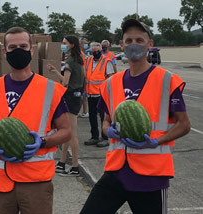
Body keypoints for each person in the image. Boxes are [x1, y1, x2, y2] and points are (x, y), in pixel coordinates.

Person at [80, 19, 191, 214]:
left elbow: (184, 125)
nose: (134, 44)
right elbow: (106, 121)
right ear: (121, 45)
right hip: (116, 170)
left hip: (150, 175)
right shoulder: (111, 83)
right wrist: (109, 131)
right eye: (129, 40)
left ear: (150, 44)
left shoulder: (167, 80)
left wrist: (155, 141)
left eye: (139, 40)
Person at [0, 27, 71, 214]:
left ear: (32, 49)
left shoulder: (50, 89)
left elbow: (66, 131)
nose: (18, 50)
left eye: (23, 46)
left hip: (35, 182)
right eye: (12, 47)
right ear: (4, 52)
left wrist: (41, 142)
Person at [47, 35, 84, 176]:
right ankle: (62, 163)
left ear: (72, 45)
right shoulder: (79, 61)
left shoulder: (69, 61)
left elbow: (65, 81)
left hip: (69, 97)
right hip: (76, 97)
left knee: (71, 134)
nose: (63, 45)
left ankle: (75, 166)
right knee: (68, 133)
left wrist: (56, 72)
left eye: (65, 43)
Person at [84, 42, 114, 147]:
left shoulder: (106, 62)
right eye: (93, 51)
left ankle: (105, 138)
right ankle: (95, 137)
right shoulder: (88, 60)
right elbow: (86, 74)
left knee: (103, 117)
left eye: (97, 51)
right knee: (92, 117)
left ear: (101, 51)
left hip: (101, 94)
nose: (95, 53)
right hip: (90, 93)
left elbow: (110, 78)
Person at [78, 38, 89, 118]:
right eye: (85, 43)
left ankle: (84, 111)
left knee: (83, 95)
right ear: (80, 44)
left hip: (83, 76)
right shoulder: (80, 53)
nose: (86, 45)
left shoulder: (82, 53)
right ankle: (83, 111)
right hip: (82, 77)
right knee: (82, 95)